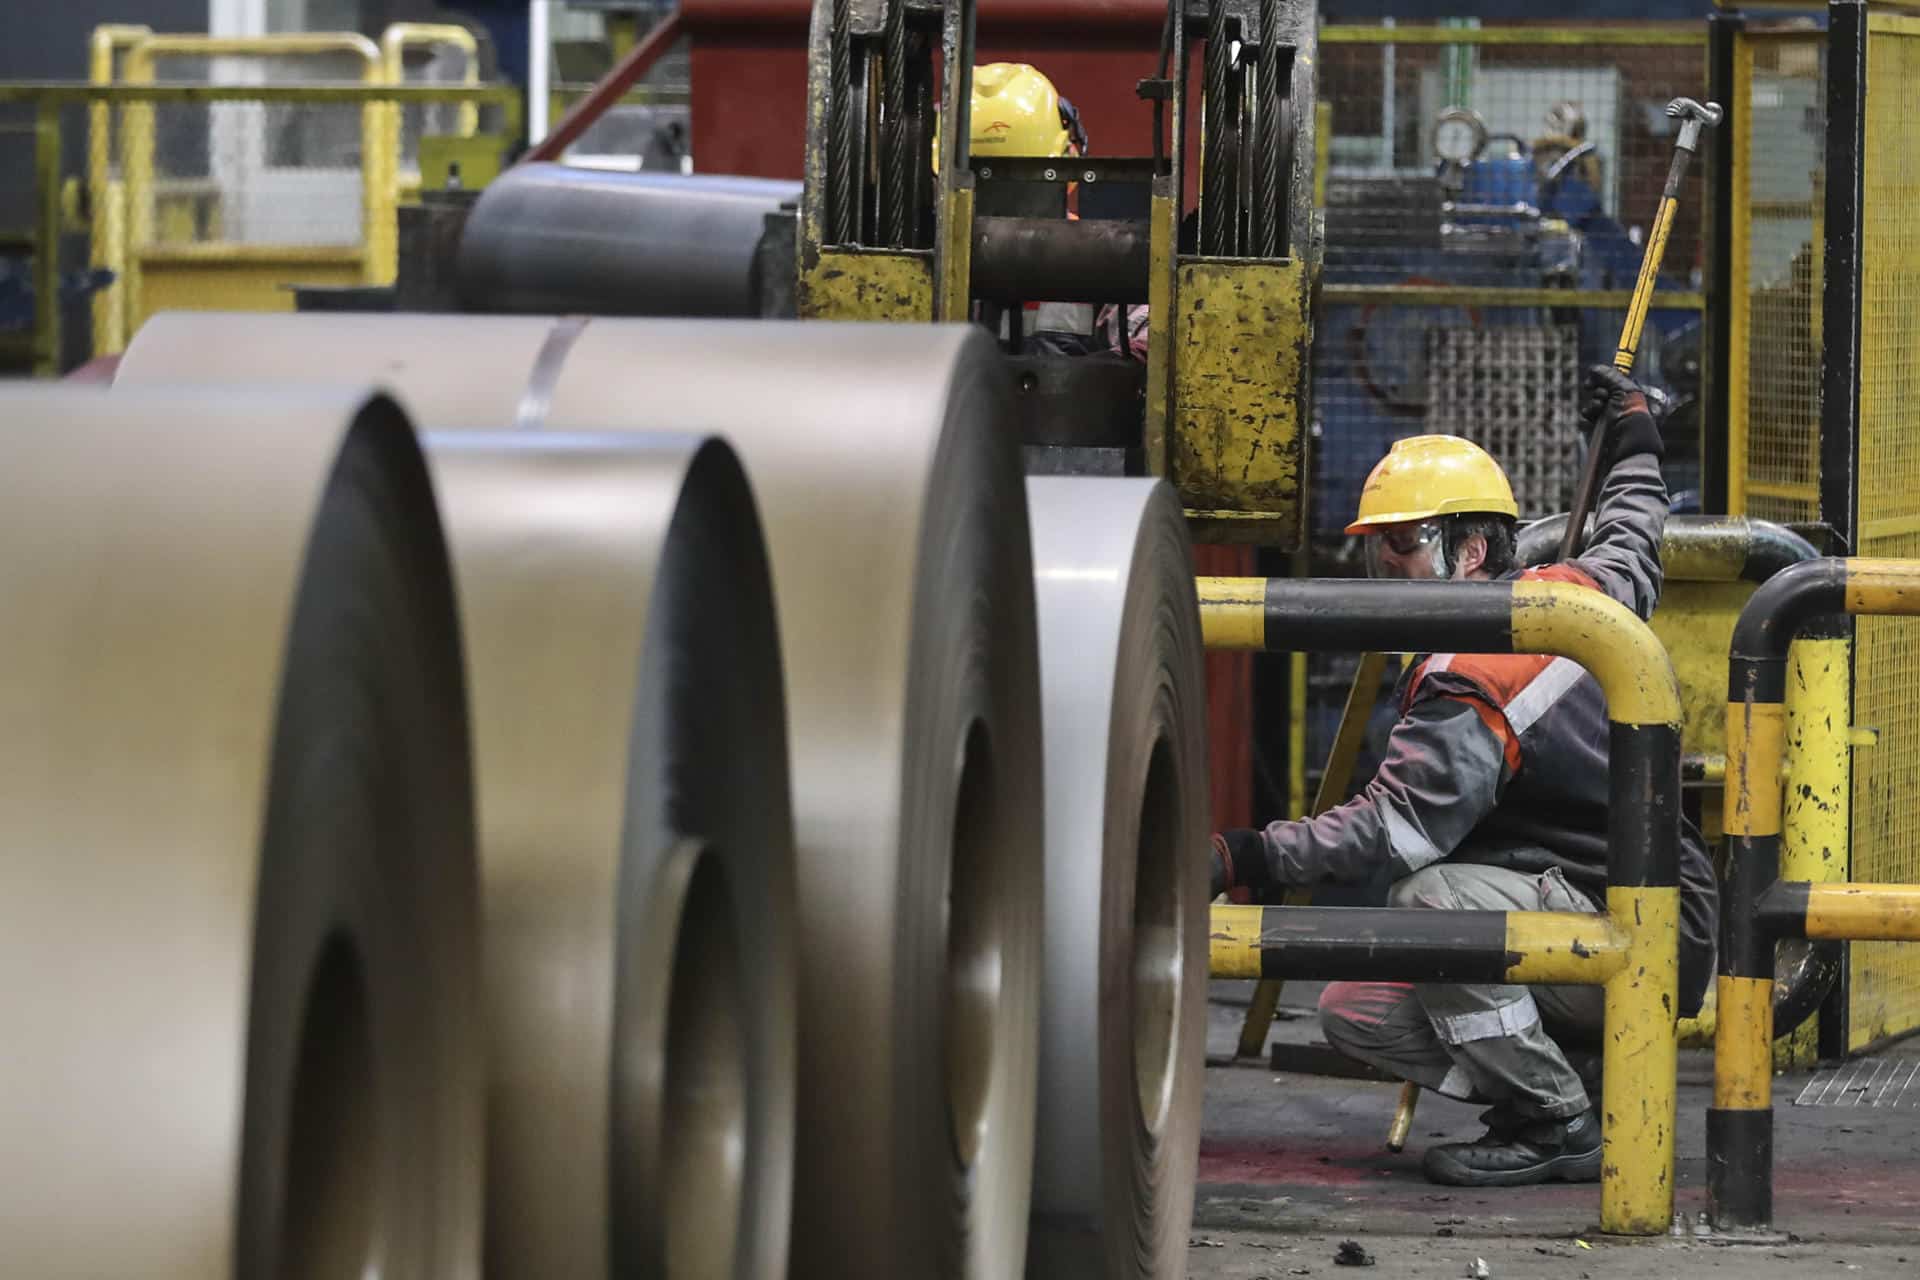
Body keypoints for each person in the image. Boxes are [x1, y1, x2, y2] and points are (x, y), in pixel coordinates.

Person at [1209, 367, 1719, 1189]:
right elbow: (1632, 535)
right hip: (1600, 914)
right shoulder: (1576, 594)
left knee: (1430, 904)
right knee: (1355, 1010)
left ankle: (1559, 1121)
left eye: (1404, 545)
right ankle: (1578, 1079)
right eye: (1378, 546)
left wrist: (1240, 856)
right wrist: (1633, 432)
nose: (1385, 565)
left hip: (1639, 927)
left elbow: (1391, 831)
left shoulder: (1471, 676)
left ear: (1471, 549)